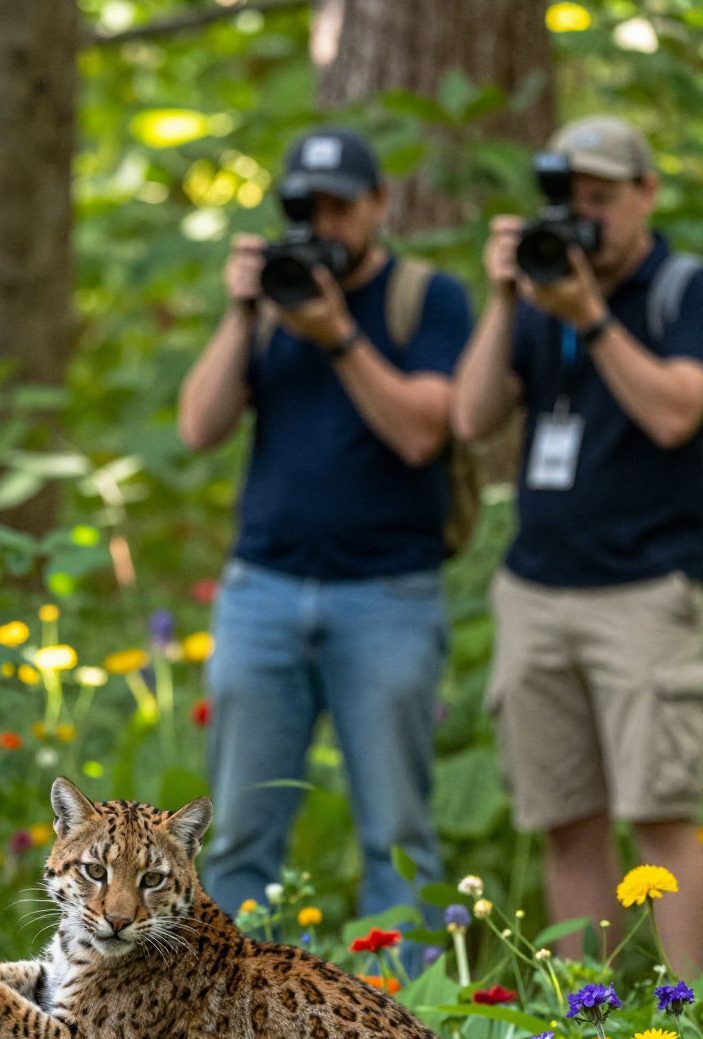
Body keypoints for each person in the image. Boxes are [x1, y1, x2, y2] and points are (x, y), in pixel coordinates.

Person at [178, 127, 472, 929]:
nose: (323, 225)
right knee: (238, 834)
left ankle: (410, 1021)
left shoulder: (428, 299)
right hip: (261, 592)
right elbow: (199, 427)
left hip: (387, 594)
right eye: (305, 208)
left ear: (380, 203)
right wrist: (244, 313)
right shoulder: (272, 303)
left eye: (340, 206)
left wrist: (337, 335)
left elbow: (424, 431)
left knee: (399, 836)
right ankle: (215, 1020)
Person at [452, 115, 703, 975]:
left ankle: (691, 1029)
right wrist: (503, 298)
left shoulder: (681, 290)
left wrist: (591, 316)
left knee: (664, 815)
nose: (583, 218)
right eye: (569, 201)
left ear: (646, 194)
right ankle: (588, 1027)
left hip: (647, 591)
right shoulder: (539, 290)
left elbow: (677, 413)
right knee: (566, 818)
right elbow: (470, 415)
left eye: (600, 199)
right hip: (536, 591)